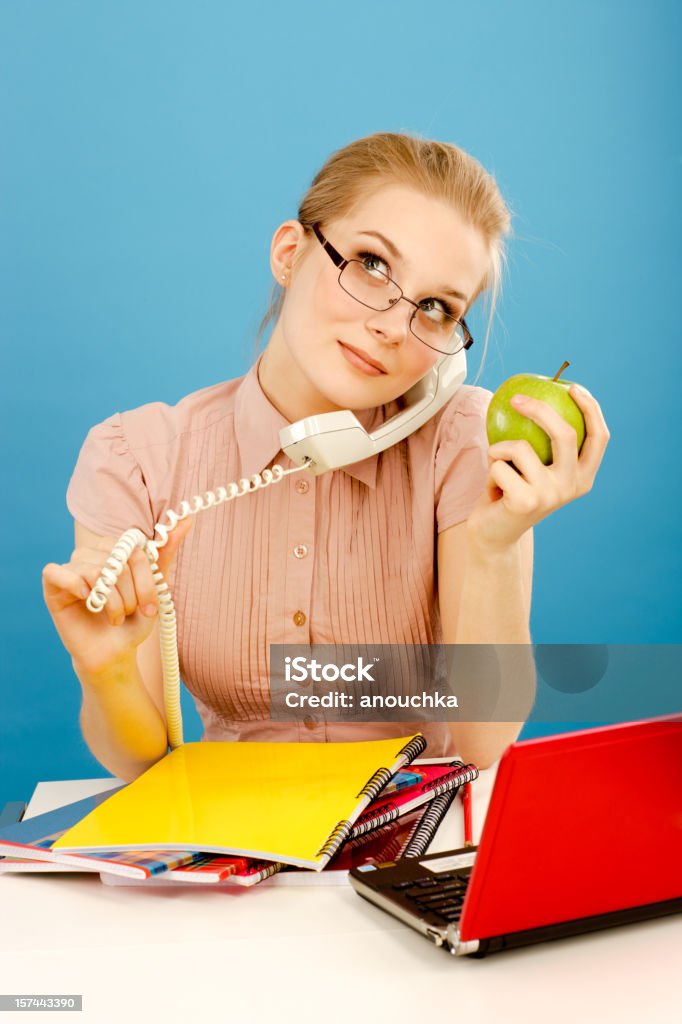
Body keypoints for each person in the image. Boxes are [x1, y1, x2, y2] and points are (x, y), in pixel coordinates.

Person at [42, 132, 610, 782]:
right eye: (371, 263)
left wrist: (493, 543)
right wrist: (106, 668)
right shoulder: (138, 459)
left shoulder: (467, 442)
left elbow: (485, 746)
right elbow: (140, 762)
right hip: (233, 844)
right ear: (290, 253)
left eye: (436, 307)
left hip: (412, 843)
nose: (394, 328)